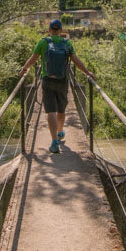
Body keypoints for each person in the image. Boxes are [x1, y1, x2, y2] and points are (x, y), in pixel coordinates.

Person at [19, 19, 94, 153]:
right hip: (62, 80)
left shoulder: (43, 42)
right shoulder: (67, 43)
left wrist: (24, 69)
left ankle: (54, 142)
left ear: (49, 30)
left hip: (47, 80)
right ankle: (60, 132)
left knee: (51, 111)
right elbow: (75, 61)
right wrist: (87, 72)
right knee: (61, 109)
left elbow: (33, 59)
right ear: (60, 30)